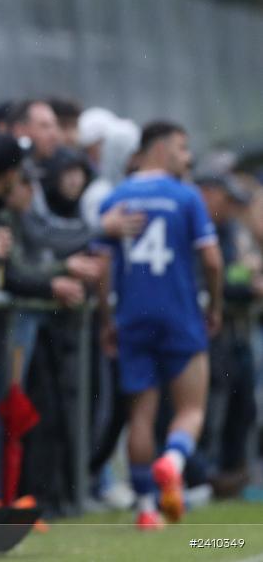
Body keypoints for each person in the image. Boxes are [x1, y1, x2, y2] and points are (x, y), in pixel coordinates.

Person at [97, 121, 224, 530]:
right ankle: (173, 461)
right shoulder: (186, 196)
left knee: (141, 415)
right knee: (190, 409)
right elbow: (212, 259)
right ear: (162, 148)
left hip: (133, 315)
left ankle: (147, 509)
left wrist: (106, 317)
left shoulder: (117, 198)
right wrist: (215, 304)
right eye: (183, 148)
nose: (187, 158)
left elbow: (102, 266)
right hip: (180, 313)